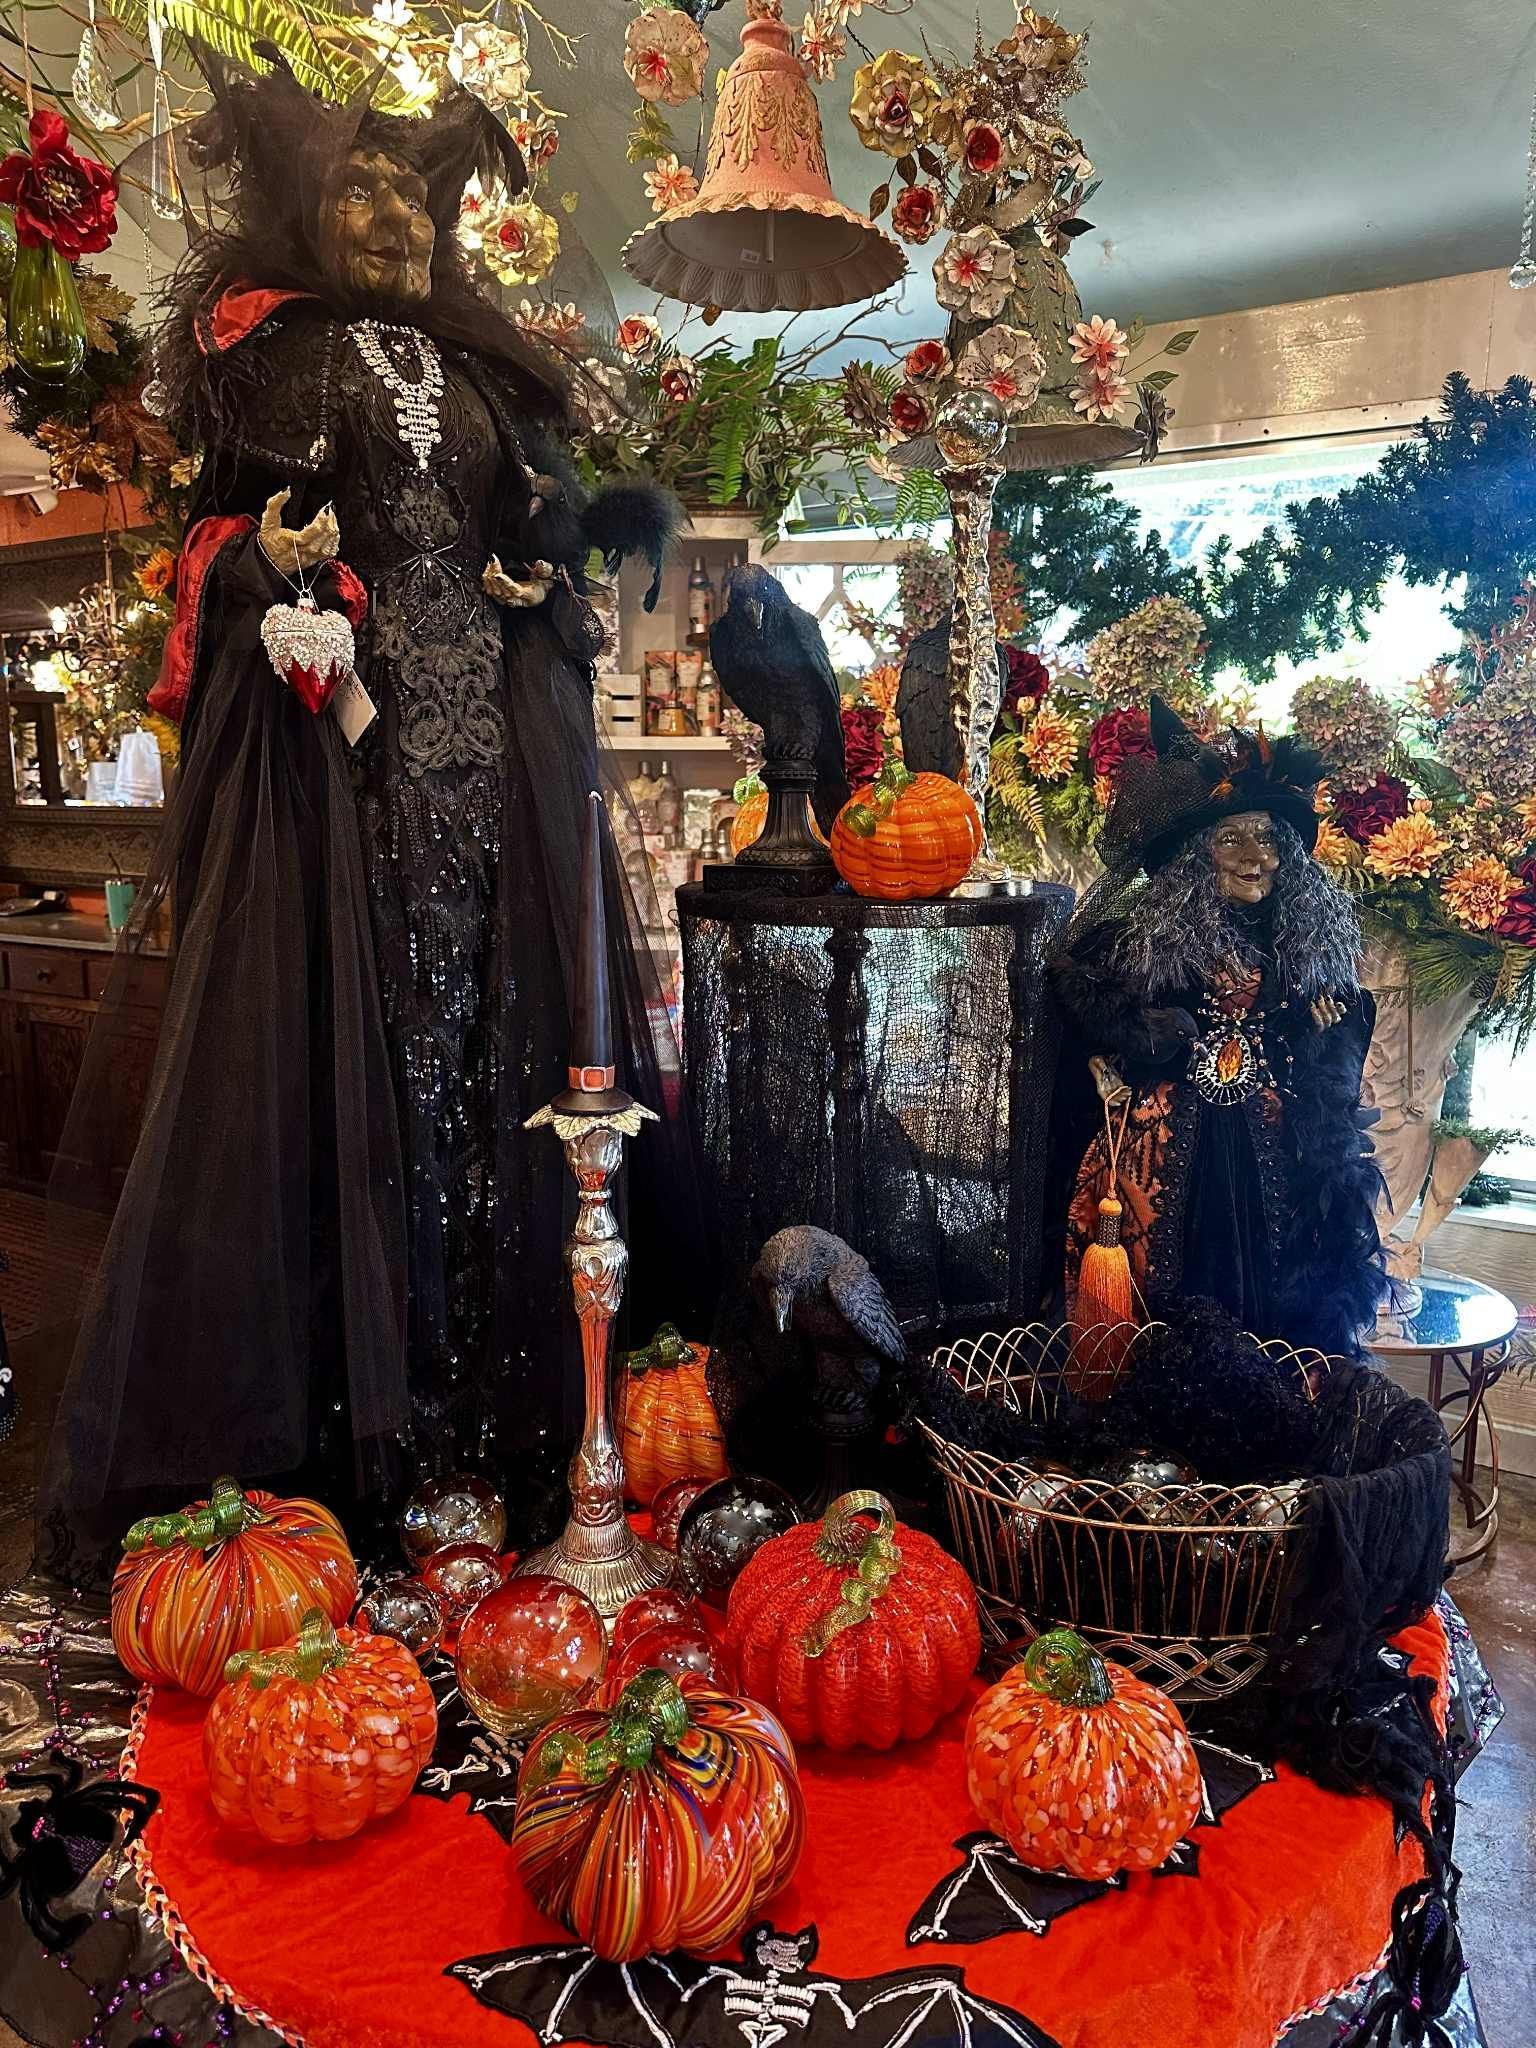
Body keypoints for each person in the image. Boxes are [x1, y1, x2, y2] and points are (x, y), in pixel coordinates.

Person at [39, 52, 696, 1580]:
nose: (394, 210)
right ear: (304, 208)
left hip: (495, 767)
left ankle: (494, 1404)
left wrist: (534, 562)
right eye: (364, 184)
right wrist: (260, 562)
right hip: (349, 775)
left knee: (494, 1046)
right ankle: (364, 1432)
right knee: (365, 1049)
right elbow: (213, 538)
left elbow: (514, 532)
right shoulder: (273, 359)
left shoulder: (479, 370)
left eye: (415, 188)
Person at [1049, 697, 1385, 1360]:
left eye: (1266, 838)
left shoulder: (1303, 951)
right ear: (1196, 860)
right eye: (1231, 838)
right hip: (1163, 1153)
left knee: (1276, 1308)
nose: (1253, 854)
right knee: (1159, 1299)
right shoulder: (1137, 943)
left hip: (1277, 1157)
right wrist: (1135, 1031)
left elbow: (1336, 1064)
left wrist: (1321, 1037)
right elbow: (1078, 1000)